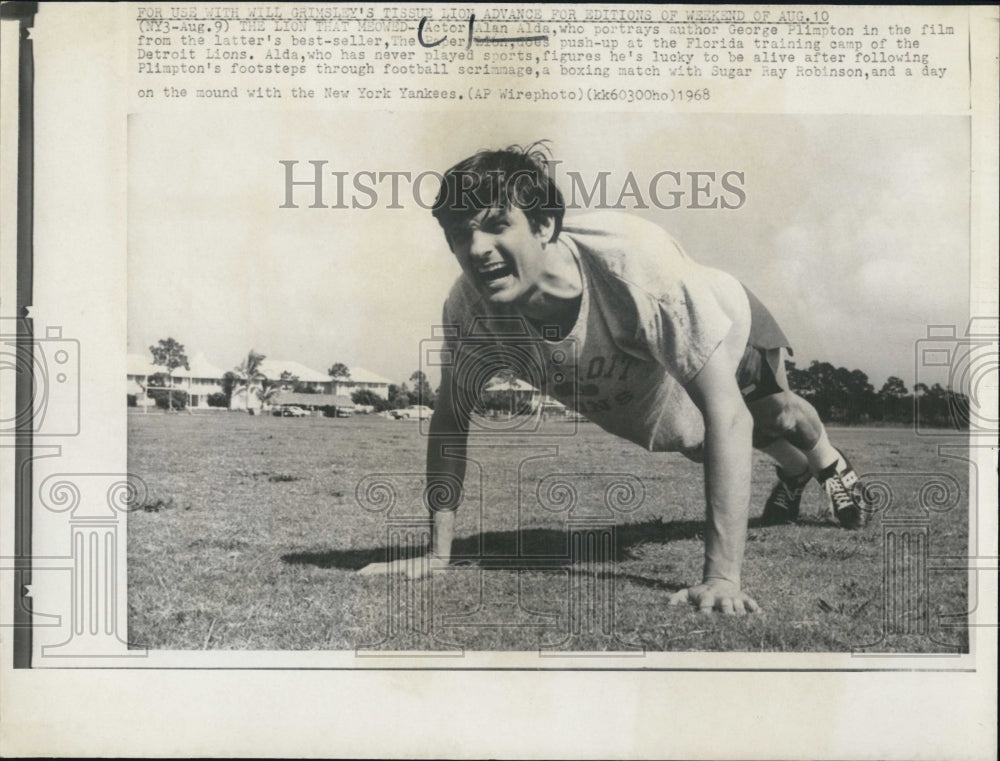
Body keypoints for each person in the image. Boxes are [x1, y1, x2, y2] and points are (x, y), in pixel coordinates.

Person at [359, 144, 868, 614]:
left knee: (771, 414)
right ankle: (793, 472)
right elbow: (450, 422)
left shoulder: (633, 263)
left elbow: (728, 415)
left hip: (725, 315)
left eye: (496, 224)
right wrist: (437, 554)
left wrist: (722, 578)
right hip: (656, 381)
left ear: (543, 226)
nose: (477, 249)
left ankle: (827, 464)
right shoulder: (467, 309)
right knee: (692, 441)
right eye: (459, 232)